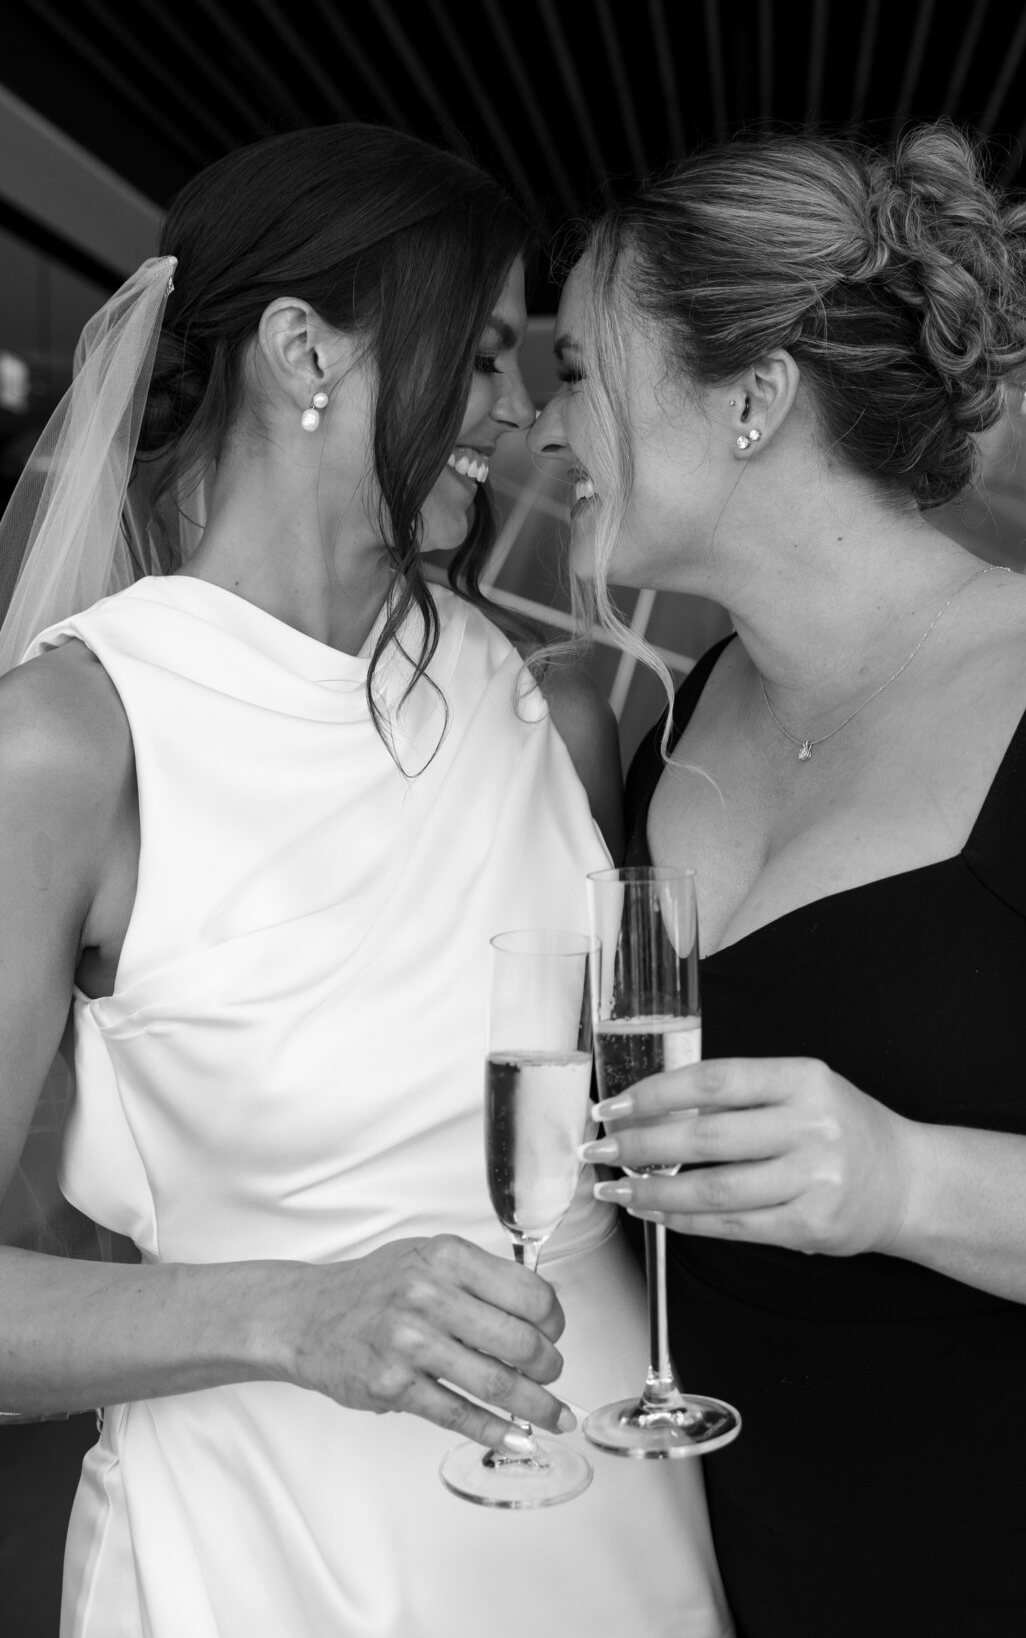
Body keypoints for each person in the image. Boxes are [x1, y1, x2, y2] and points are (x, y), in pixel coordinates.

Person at [0, 125, 731, 1638]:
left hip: (614, 1538)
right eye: (473, 360)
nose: (520, 413)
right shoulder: (71, 745)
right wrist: (291, 1312)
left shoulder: (561, 711)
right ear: (297, 351)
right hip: (273, 1562)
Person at [531, 121, 1026, 1635]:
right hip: (746, 1578)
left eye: (574, 370)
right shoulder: (688, 708)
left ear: (755, 399)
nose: (541, 432)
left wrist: (909, 1179)